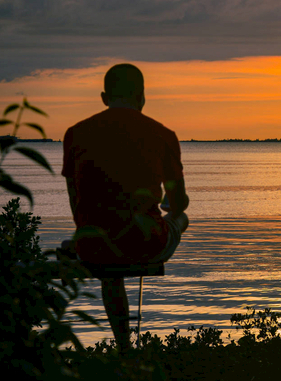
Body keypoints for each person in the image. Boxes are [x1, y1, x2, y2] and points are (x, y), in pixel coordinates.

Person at [62, 63, 189, 351]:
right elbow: (178, 202)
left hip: (94, 246)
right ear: (142, 96)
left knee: (109, 267)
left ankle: (123, 347)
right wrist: (173, 206)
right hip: (146, 242)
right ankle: (127, 351)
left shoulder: (75, 133)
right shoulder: (163, 134)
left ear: (105, 98)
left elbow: (75, 199)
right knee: (182, 217)